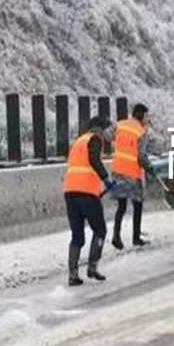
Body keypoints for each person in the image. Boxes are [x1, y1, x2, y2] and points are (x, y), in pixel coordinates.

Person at [63, 116, 116, 286]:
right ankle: (92, 267)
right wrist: (106, 178)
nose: (110, 133)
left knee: (77, 235)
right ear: (99, 129)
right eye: (108, 129)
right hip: (86, 192)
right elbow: (94, 160)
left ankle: (72, 274)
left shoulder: (78, 141)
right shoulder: (95, 139)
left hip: (70, 192)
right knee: (100, 229)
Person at [110, 103, 154, 249]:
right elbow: (141, 155)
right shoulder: (141, 132)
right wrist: (149, 168)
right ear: (141, 116)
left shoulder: (120, 124)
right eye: (147, 116)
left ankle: (116, 235)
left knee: (121, 206)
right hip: (131, 173)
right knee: (137, 204)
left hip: (117, 171)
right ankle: (136, 237)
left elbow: (107, 135)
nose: (148, 119)